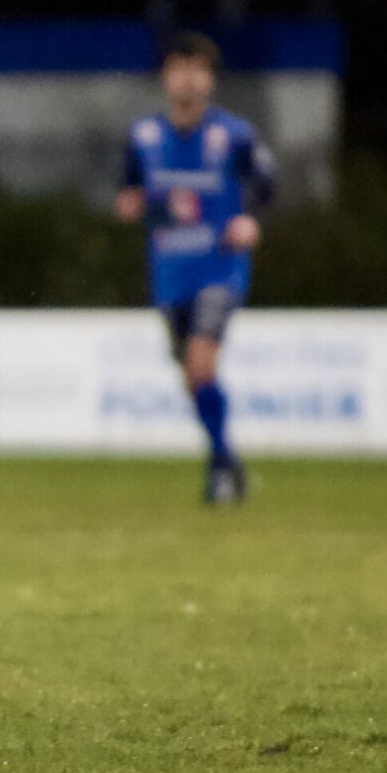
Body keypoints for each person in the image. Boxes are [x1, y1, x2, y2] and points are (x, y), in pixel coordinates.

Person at [115, 31, 275, 505]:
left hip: (219, 269)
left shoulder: (234, 135)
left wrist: (249, 221)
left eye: (196, 71)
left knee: (203, 362)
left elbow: (265, 185)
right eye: (178, 70)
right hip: (170, 273)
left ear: (209, 79)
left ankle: (221, 472)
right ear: (166, 77)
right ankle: (226, 461)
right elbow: (128, 196)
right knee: (193, 379)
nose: (186, 80)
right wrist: (134, 206)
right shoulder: (144, 137)